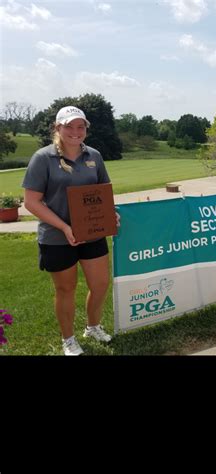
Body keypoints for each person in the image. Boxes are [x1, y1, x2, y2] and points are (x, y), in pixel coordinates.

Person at [22, 106, 120, 355]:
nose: (76, 132)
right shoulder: (42, 158)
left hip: (92, 232)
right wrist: (65, 227)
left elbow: (103, 192)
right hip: (57, 237)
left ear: (86, 129)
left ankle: (93, 326)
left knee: (100, 285)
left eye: (81, 126)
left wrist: (111, 213)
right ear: (58, 128)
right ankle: (68, 339)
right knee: (65, 290)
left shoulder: (94, 156)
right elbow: (32, 201)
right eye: (69, 126)